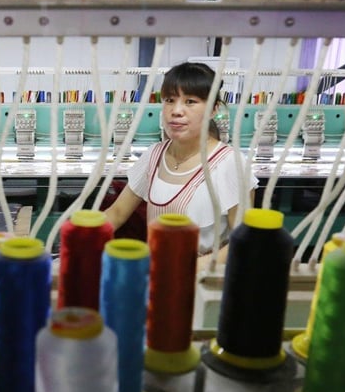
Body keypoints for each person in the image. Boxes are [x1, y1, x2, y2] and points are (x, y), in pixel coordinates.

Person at [103, 62, 258, 267]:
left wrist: (186, 272)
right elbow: (116, 214)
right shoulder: (154, 155)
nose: (176, 111)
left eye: (190, 101)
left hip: (202, 279)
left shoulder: (231, 164)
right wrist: (78, 234)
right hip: (155, 273)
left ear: (213, 109)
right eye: (169, 100)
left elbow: (244, 244)